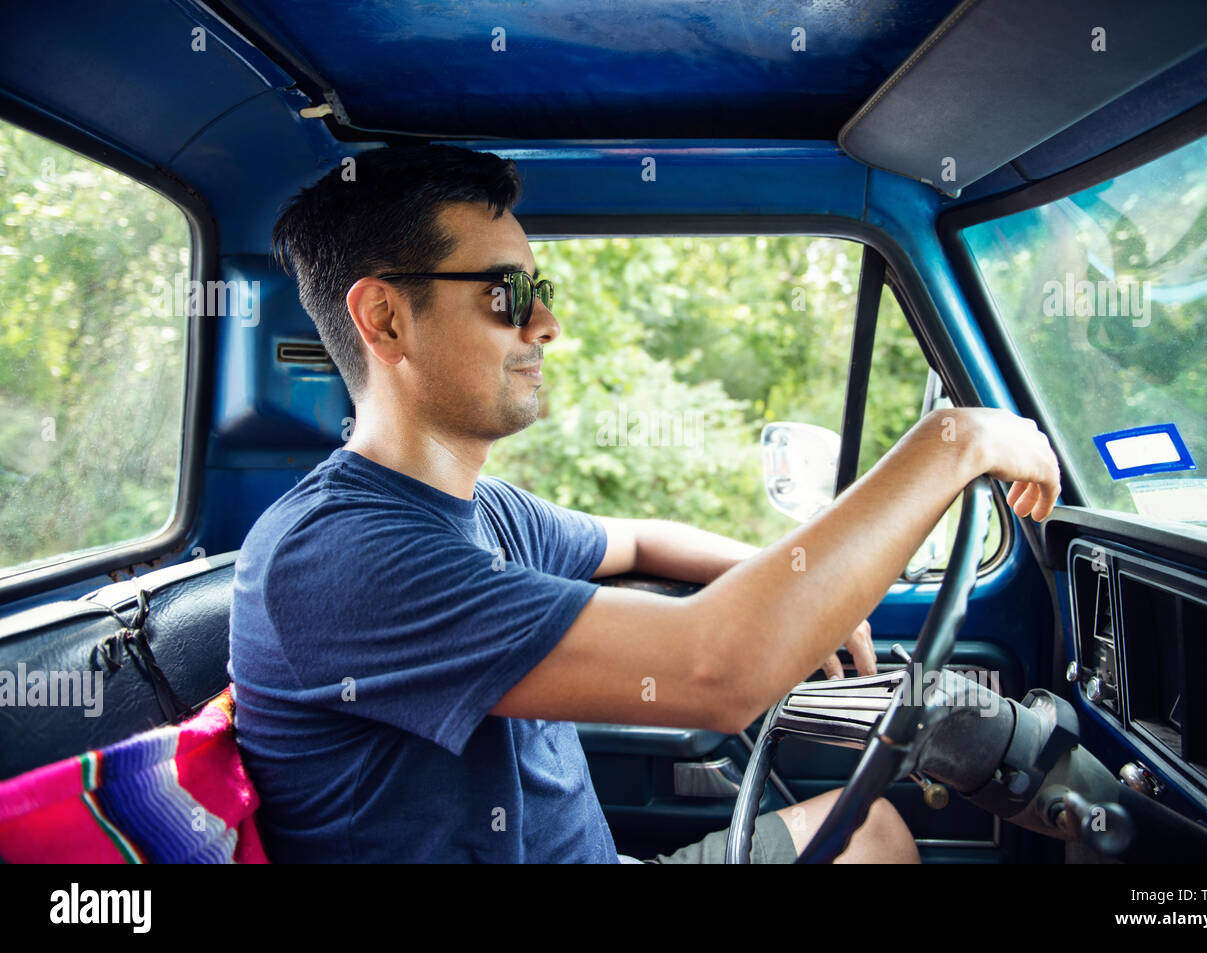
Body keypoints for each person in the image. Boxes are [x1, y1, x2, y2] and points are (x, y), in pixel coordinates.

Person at [228, 145, 1060, 864]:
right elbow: (715, 669)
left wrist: (802, 586)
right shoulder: (338, 556)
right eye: (505, 294)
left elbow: (635, 539)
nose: (546, 323)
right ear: (385, 317)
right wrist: (953, 441)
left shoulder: (485, 511)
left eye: (538, 288)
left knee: (871, 833)